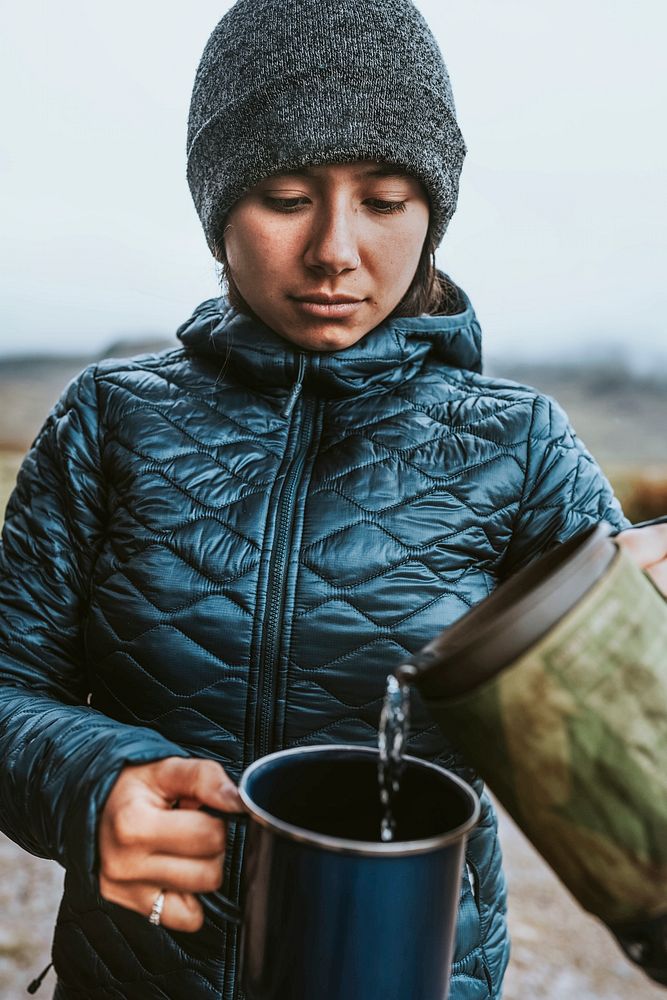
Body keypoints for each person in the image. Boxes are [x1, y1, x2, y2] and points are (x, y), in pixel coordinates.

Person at [1, 1, 666, 998]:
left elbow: (629, 759)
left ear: (432, 211)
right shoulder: (110, 421)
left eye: (388, 198)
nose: (335, 252)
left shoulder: (517, 445)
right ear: (218, 205)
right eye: (283, 194)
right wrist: (88, 781)